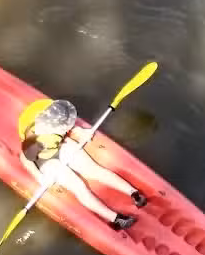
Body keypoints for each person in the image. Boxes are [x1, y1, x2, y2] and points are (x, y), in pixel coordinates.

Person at [18, 99, 147, 231]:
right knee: (79, 186)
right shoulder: (35, 140)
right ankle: (116, 219)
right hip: (45, 159)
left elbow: (68, 124)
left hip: (60, 145)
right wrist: (39, 176)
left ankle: (133, 193)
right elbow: (24, 158)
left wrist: (81, 131)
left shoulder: (54, 110)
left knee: (93, 170)